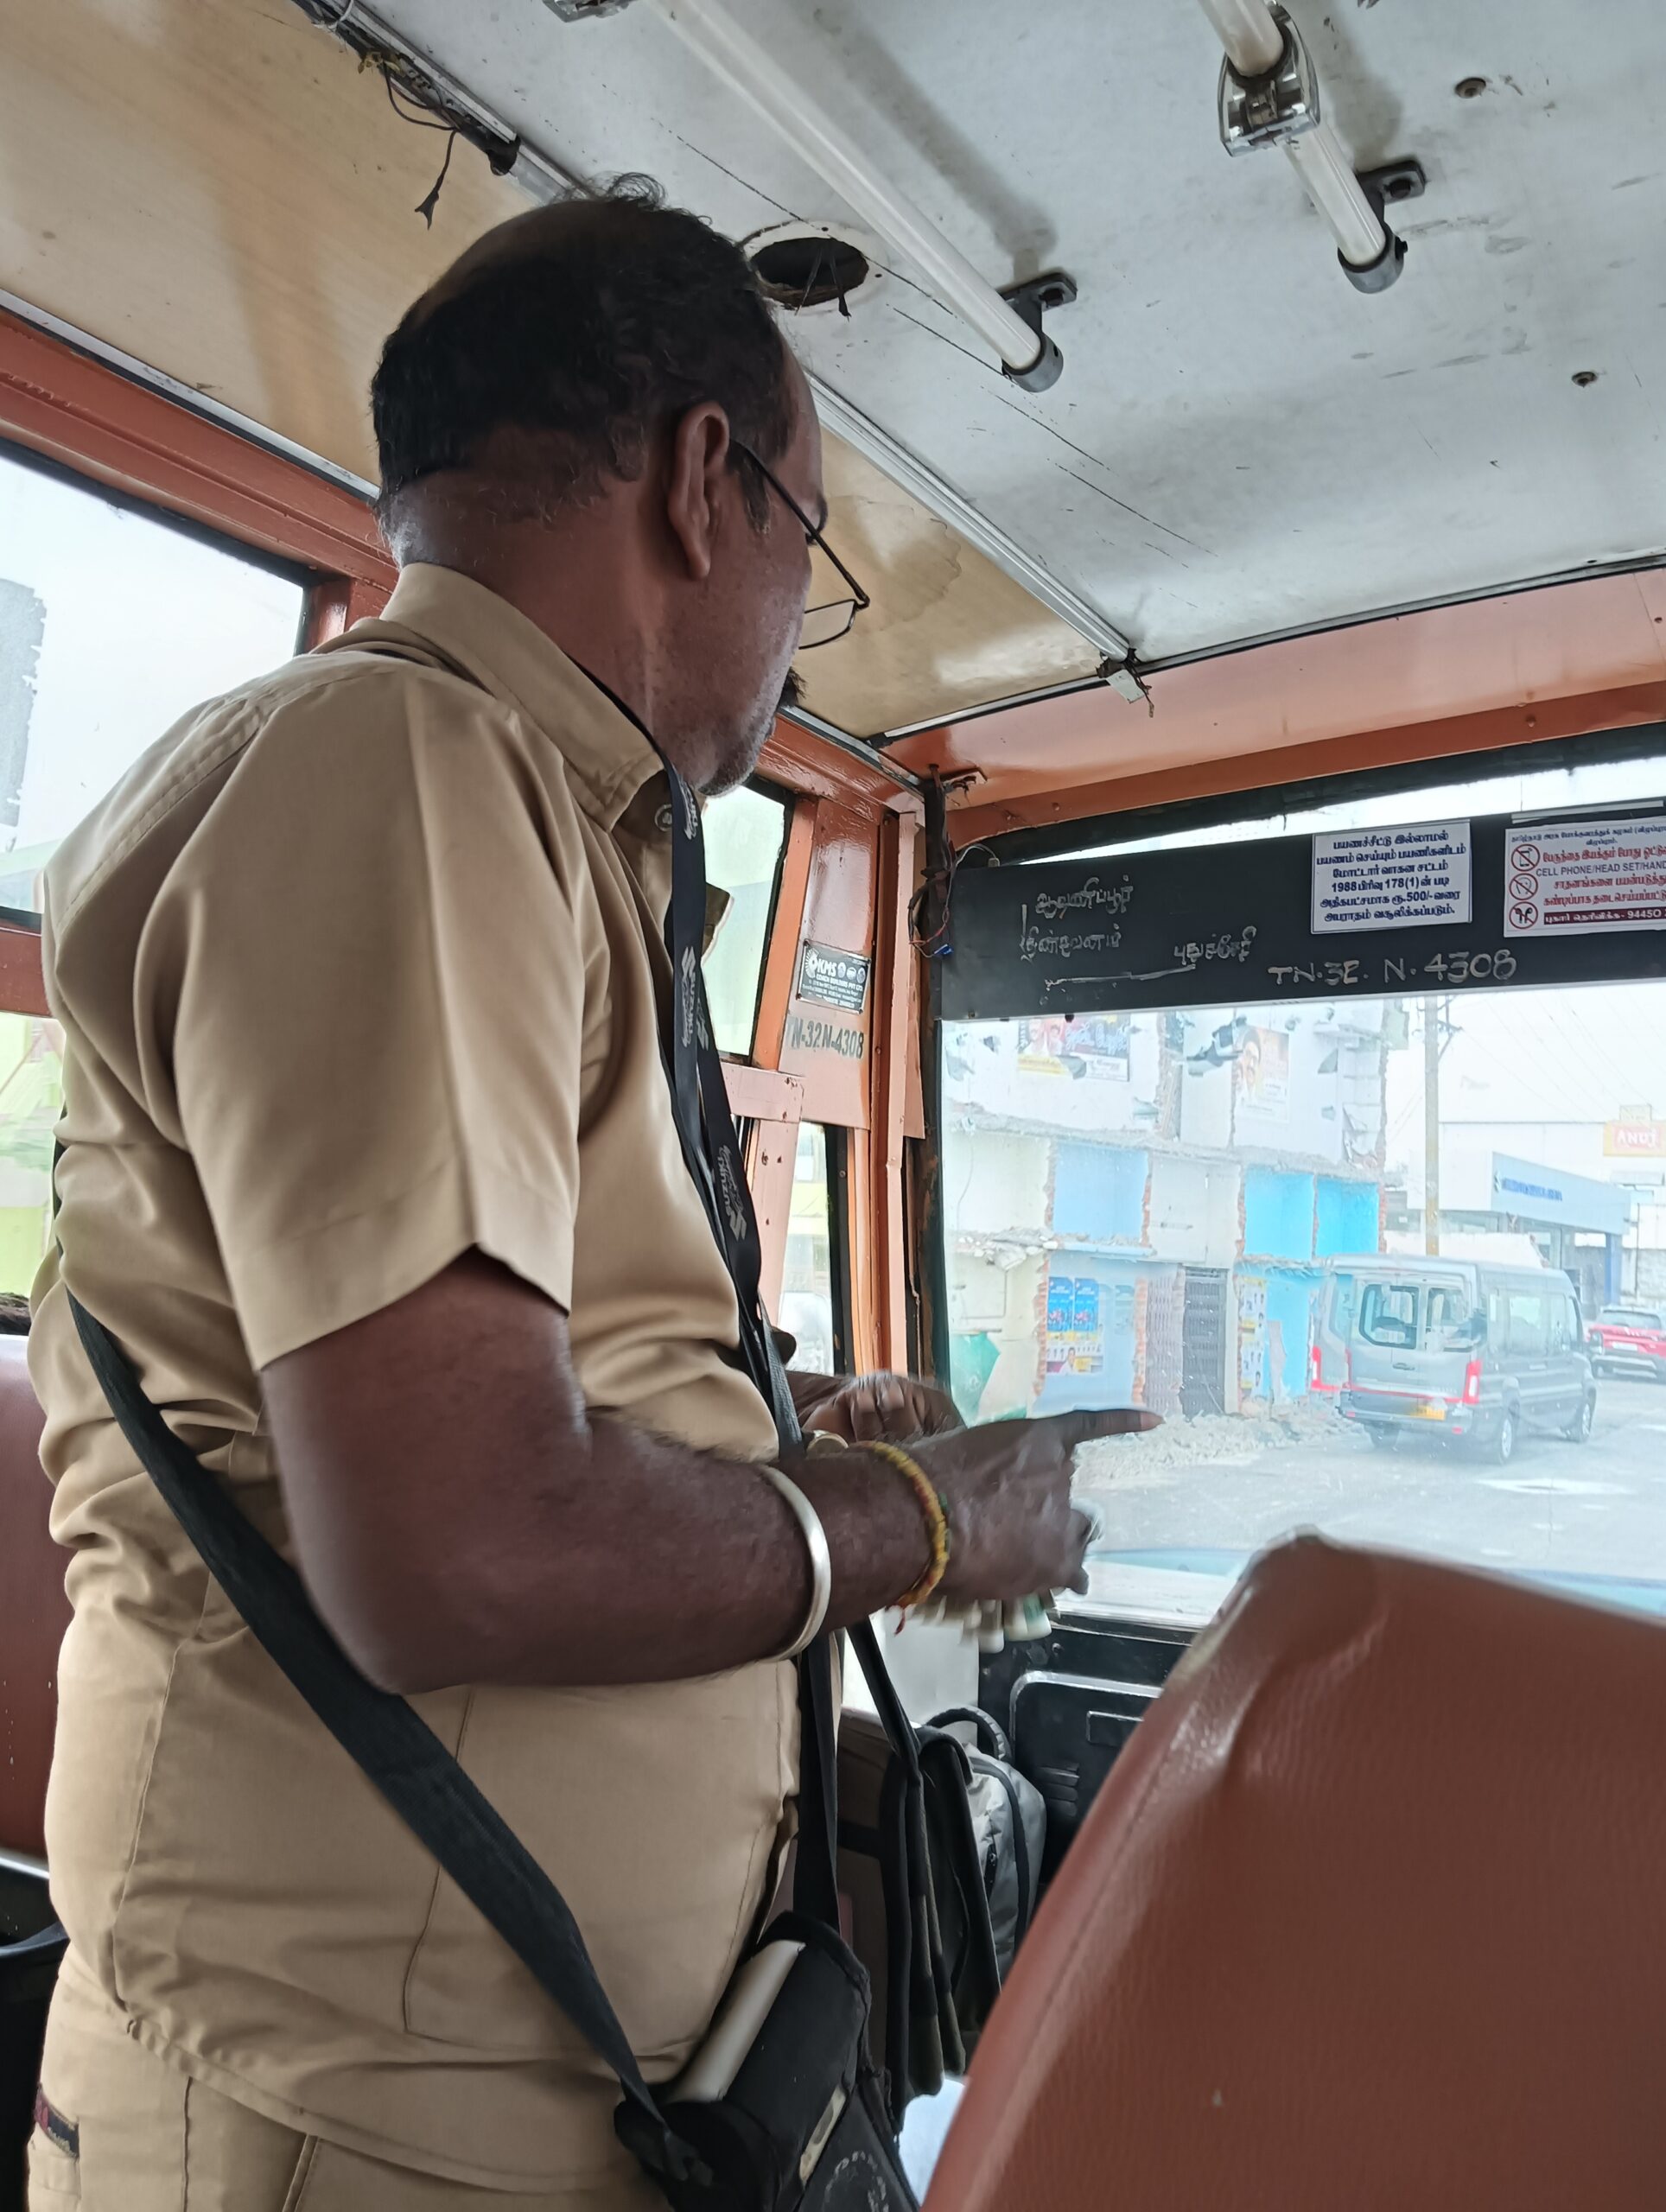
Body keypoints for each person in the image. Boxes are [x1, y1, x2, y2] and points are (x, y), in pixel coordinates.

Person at [27, 181, 1154, 2210]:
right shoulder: (409, 768)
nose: (794, 620)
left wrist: (776, 1438)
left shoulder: (522, 815)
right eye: (811, 547)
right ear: (707, 484)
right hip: (361, 2120)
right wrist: (926, 1515)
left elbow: (472, 1400)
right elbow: (455, 1540)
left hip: (504, 2090)